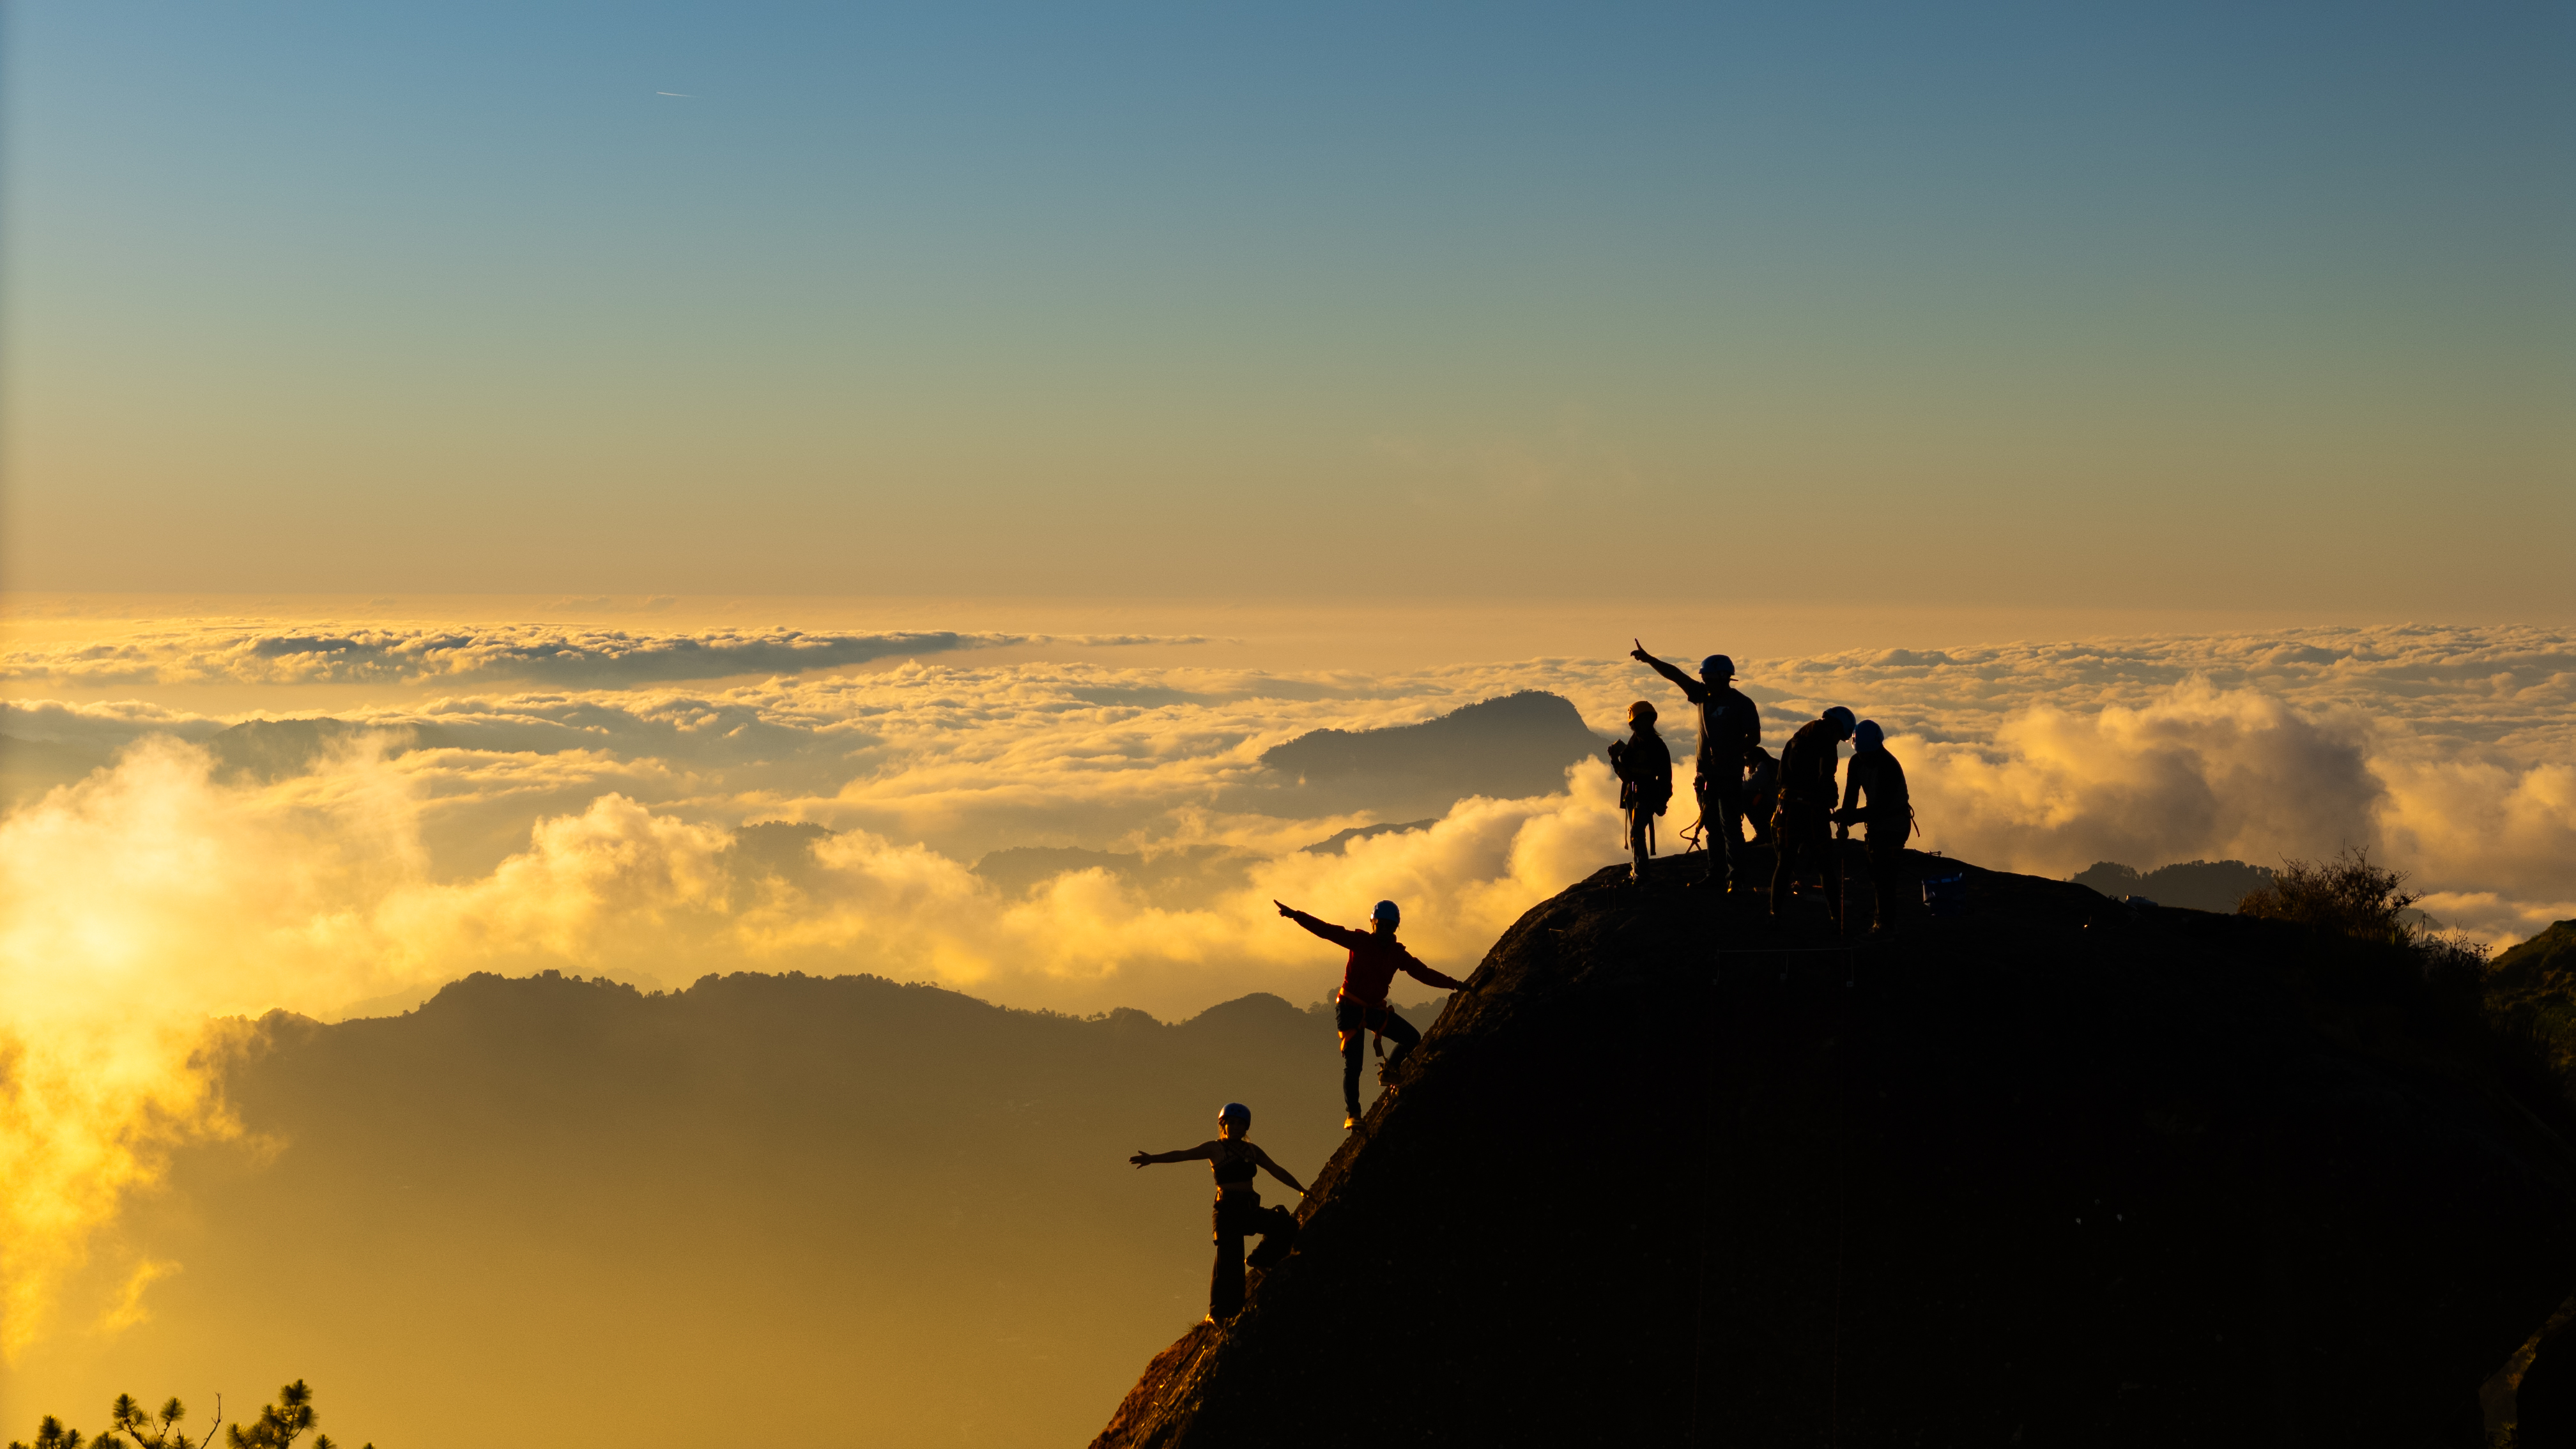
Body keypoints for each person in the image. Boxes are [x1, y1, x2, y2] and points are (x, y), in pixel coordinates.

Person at [1275, 898, 1466, 1129]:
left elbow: (1423, 973)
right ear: (1373, 923)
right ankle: (1354, 1115)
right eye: (1381, 925)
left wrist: (1454, 984)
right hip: (1349, 1007)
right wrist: (1296, 915)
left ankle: (1390, 1070)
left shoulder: (1397, 954)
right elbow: (1326, 931)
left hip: (1374, 1009)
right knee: (1354, 1064)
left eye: (1389, 926)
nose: (1384, 930)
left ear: (1395, 928)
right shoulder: (1360, 941)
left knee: (1411, 1037)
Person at [1130, 1102, 1306, 1322]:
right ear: (1223, 1125)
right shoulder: (1215, 1149)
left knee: (1286, 1225)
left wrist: (1302, 1190)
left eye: (1240, 1123)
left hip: (1248, 1209)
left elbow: (1276, 1169)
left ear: (1246, 1127)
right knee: (1228, 1266)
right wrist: (1153, 1158)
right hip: (1227, 1212)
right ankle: (1216, 1314)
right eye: (1231, 1122)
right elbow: (1183, 1154)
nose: (1236, 1127)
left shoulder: (1252, 1151)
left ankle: (1260, 1259)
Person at [1630, 642, 1762, 889]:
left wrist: (1728, 755)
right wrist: (1649, 659)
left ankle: (1736, 878)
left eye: (1710, 679)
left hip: (1729, 775)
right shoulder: (1703, 695)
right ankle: (1716, 874)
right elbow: (1676, 675)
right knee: (1712, 826)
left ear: (1724, 677)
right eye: (1705, 678)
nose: (1706, 682)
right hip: (1706, 777)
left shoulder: (1742, 704)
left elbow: (1754, 738)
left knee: (1731, 827)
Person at [1770, 706, 1855, 930]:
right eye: (1840, 736)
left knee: (1784, 863)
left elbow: (1780, 778)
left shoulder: (1796, 738)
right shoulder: (1827, 741)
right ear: (1836, 727)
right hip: (1812, 810)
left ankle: (1775, 913)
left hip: (1787, 807)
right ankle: (1836, 916)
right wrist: (1831, 799)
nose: (1838, 741)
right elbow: (1826, 777)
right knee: (1825, 865)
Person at [1833, 719, 1915, 932]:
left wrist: (1849, 817)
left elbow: (1880, 808)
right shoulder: (1856, 762)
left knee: (1883, 876)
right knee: (1878, 874)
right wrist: (1844, 823)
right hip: (1880, 824)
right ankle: (1883, 922)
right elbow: (1851, 795)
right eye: (1861, 753)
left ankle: (1884, 926)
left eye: (1867, 753)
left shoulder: (1889, 767)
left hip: (1894, 824)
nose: (1864, 756)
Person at [1606, 700, 1674, 884]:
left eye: (1645, 720)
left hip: (1647, 794)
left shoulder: (1657, 746)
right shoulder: (1633, 743)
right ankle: (1639, 870)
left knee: (1636, 831)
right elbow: (1627, 775)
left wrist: (1662, 800)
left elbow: (1666, 776)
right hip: (1633, 794)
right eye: (1639, 721)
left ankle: (1641, 874)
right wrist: (1615, 760)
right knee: (1636, 833)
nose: (1642, 724)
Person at [1742, 744, 1781, 847]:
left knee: (1743, 796)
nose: (1748, 767)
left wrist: (1736, 785)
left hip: (1771, 804)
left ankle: (1762, 833)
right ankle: (1767, 832)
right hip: (1780, 805)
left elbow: (1751, 785)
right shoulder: (1775, 763)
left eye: (1749, 763)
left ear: (1755, 759)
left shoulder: (1764, 765)